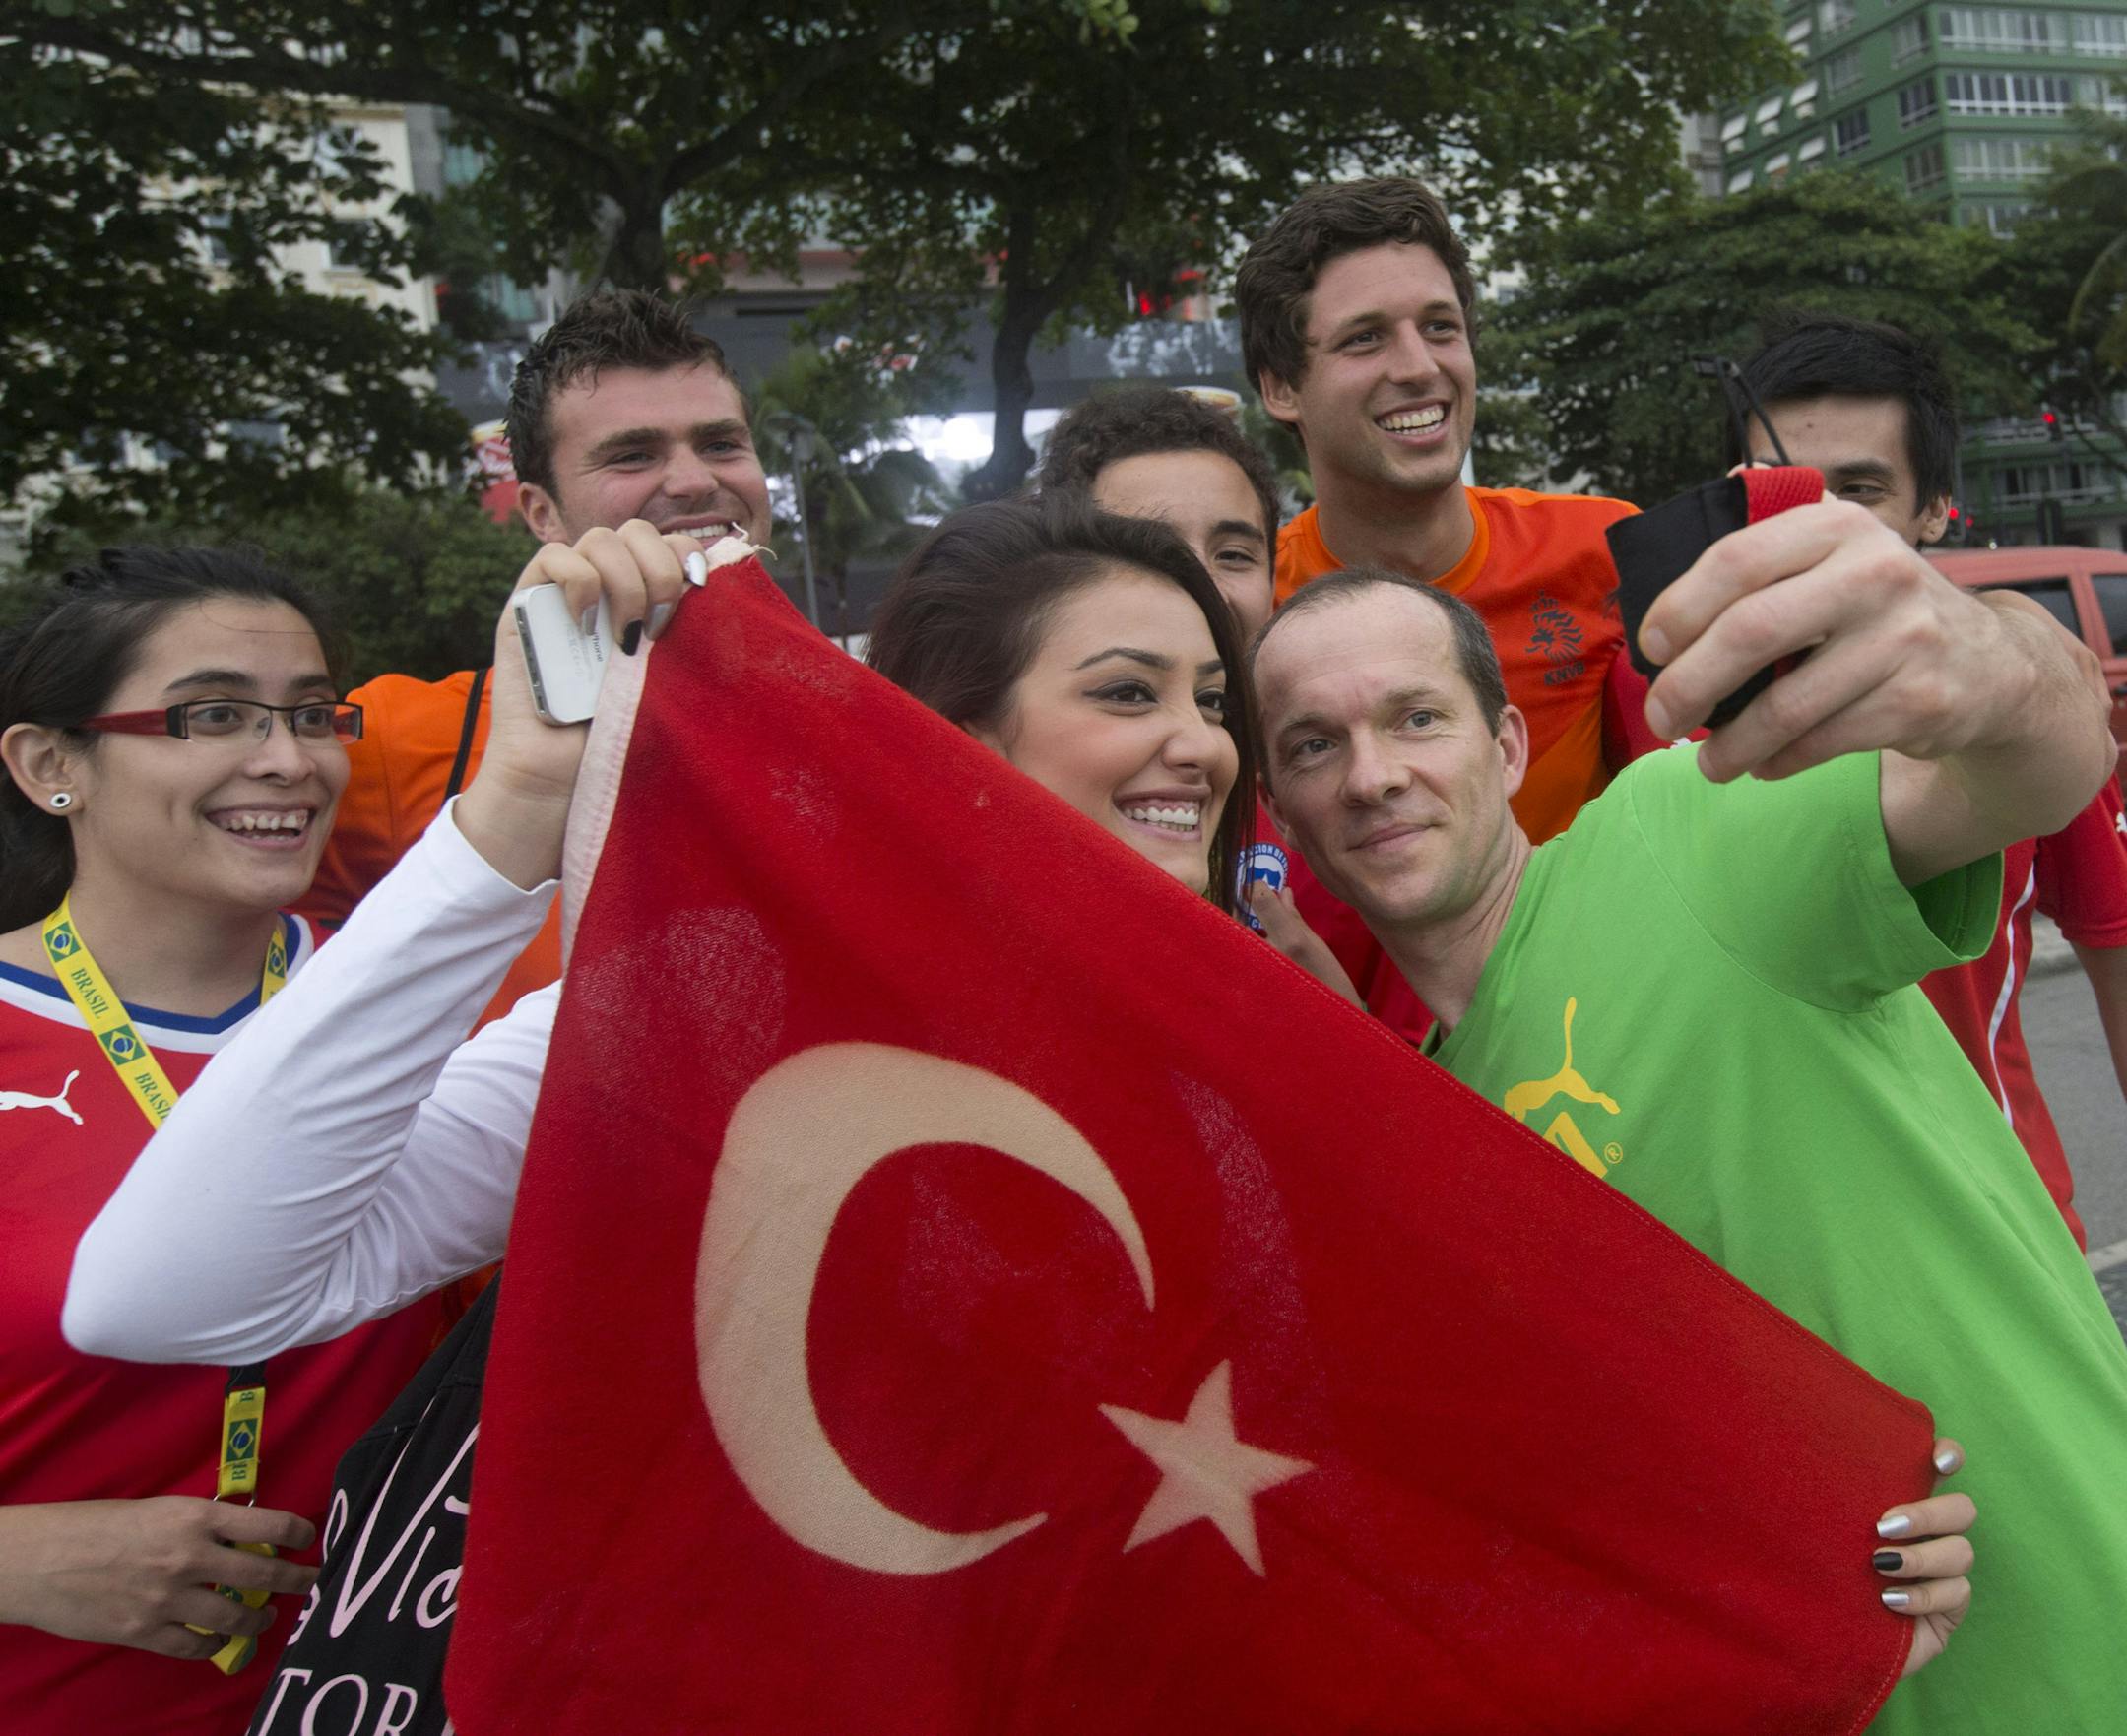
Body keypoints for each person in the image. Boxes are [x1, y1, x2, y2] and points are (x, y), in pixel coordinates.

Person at [60, 497, 1249, 1732]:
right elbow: (164, 1292)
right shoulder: (716, 995)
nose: (1201, 746)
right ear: (951, 741)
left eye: (1213, 701)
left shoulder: (1256, 1065)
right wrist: (516, 799)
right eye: (1128, 693)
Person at [1247, 544, 2127, 1727]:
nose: (1372, 775)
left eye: (1416, 718)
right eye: (1315, 744)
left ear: (1507, 748)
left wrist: (2001, 662)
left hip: (2079, 1652)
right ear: (1283, 806)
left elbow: (2038, 771)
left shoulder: (1679, 834)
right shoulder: (1424, 1142)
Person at [0, 547, 443, 1733]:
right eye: (213, 715)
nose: (290, 761)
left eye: (313, 714)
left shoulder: (419, 995)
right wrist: (18, 1560)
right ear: (53, 764)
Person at [1737, 311, 2127, 1249]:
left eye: (1861, 488)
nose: (1820, 520)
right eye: (1781, 485)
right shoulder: (1655, 697)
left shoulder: (2025, 706)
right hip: (1767, 1260)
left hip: (2001, 1234)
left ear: (1935, 507)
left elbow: (2115, 945)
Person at [300, 289, 773, 1030]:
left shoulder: (873, 715)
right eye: (633, 454)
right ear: (541, 514)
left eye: (721, 444)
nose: (692, 480)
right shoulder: (398, 737)